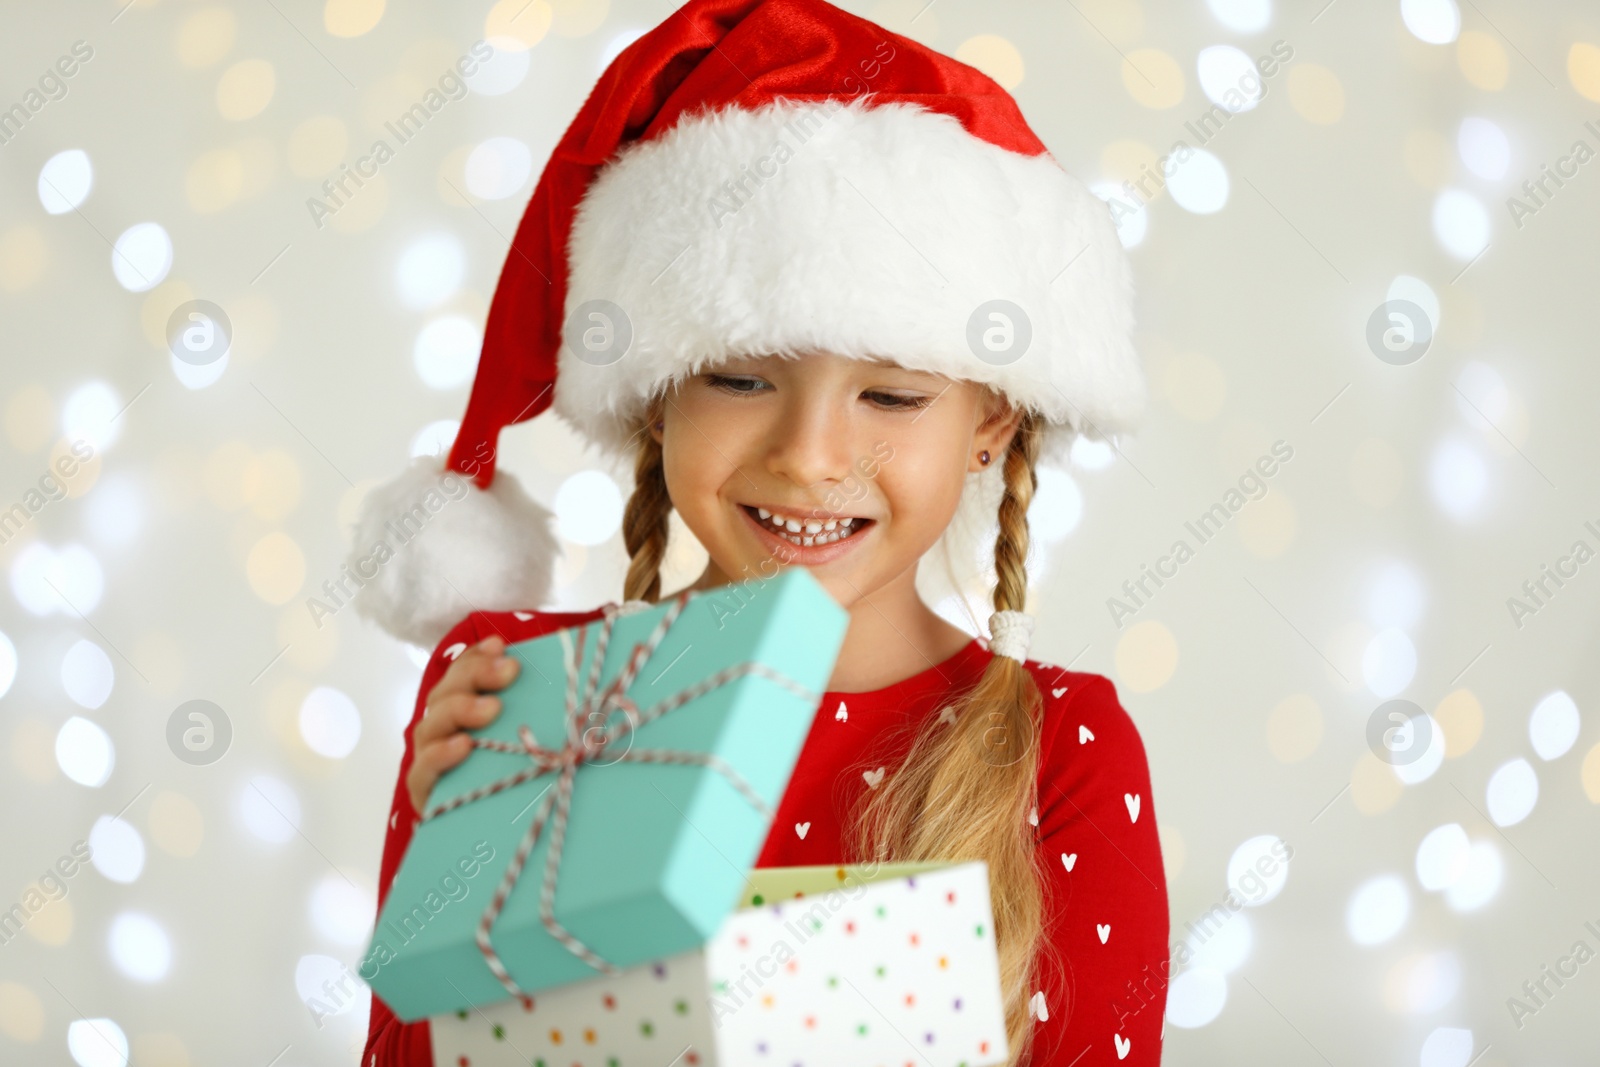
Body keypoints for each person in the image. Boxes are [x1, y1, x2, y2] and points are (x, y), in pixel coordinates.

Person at [351, 0, 1168, 1063]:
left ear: (990, 423)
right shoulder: (512, 688)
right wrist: (466, 874)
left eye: (892, 396)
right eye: (740, 377)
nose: (810, 454)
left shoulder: (1060, 749)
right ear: (657, 398)